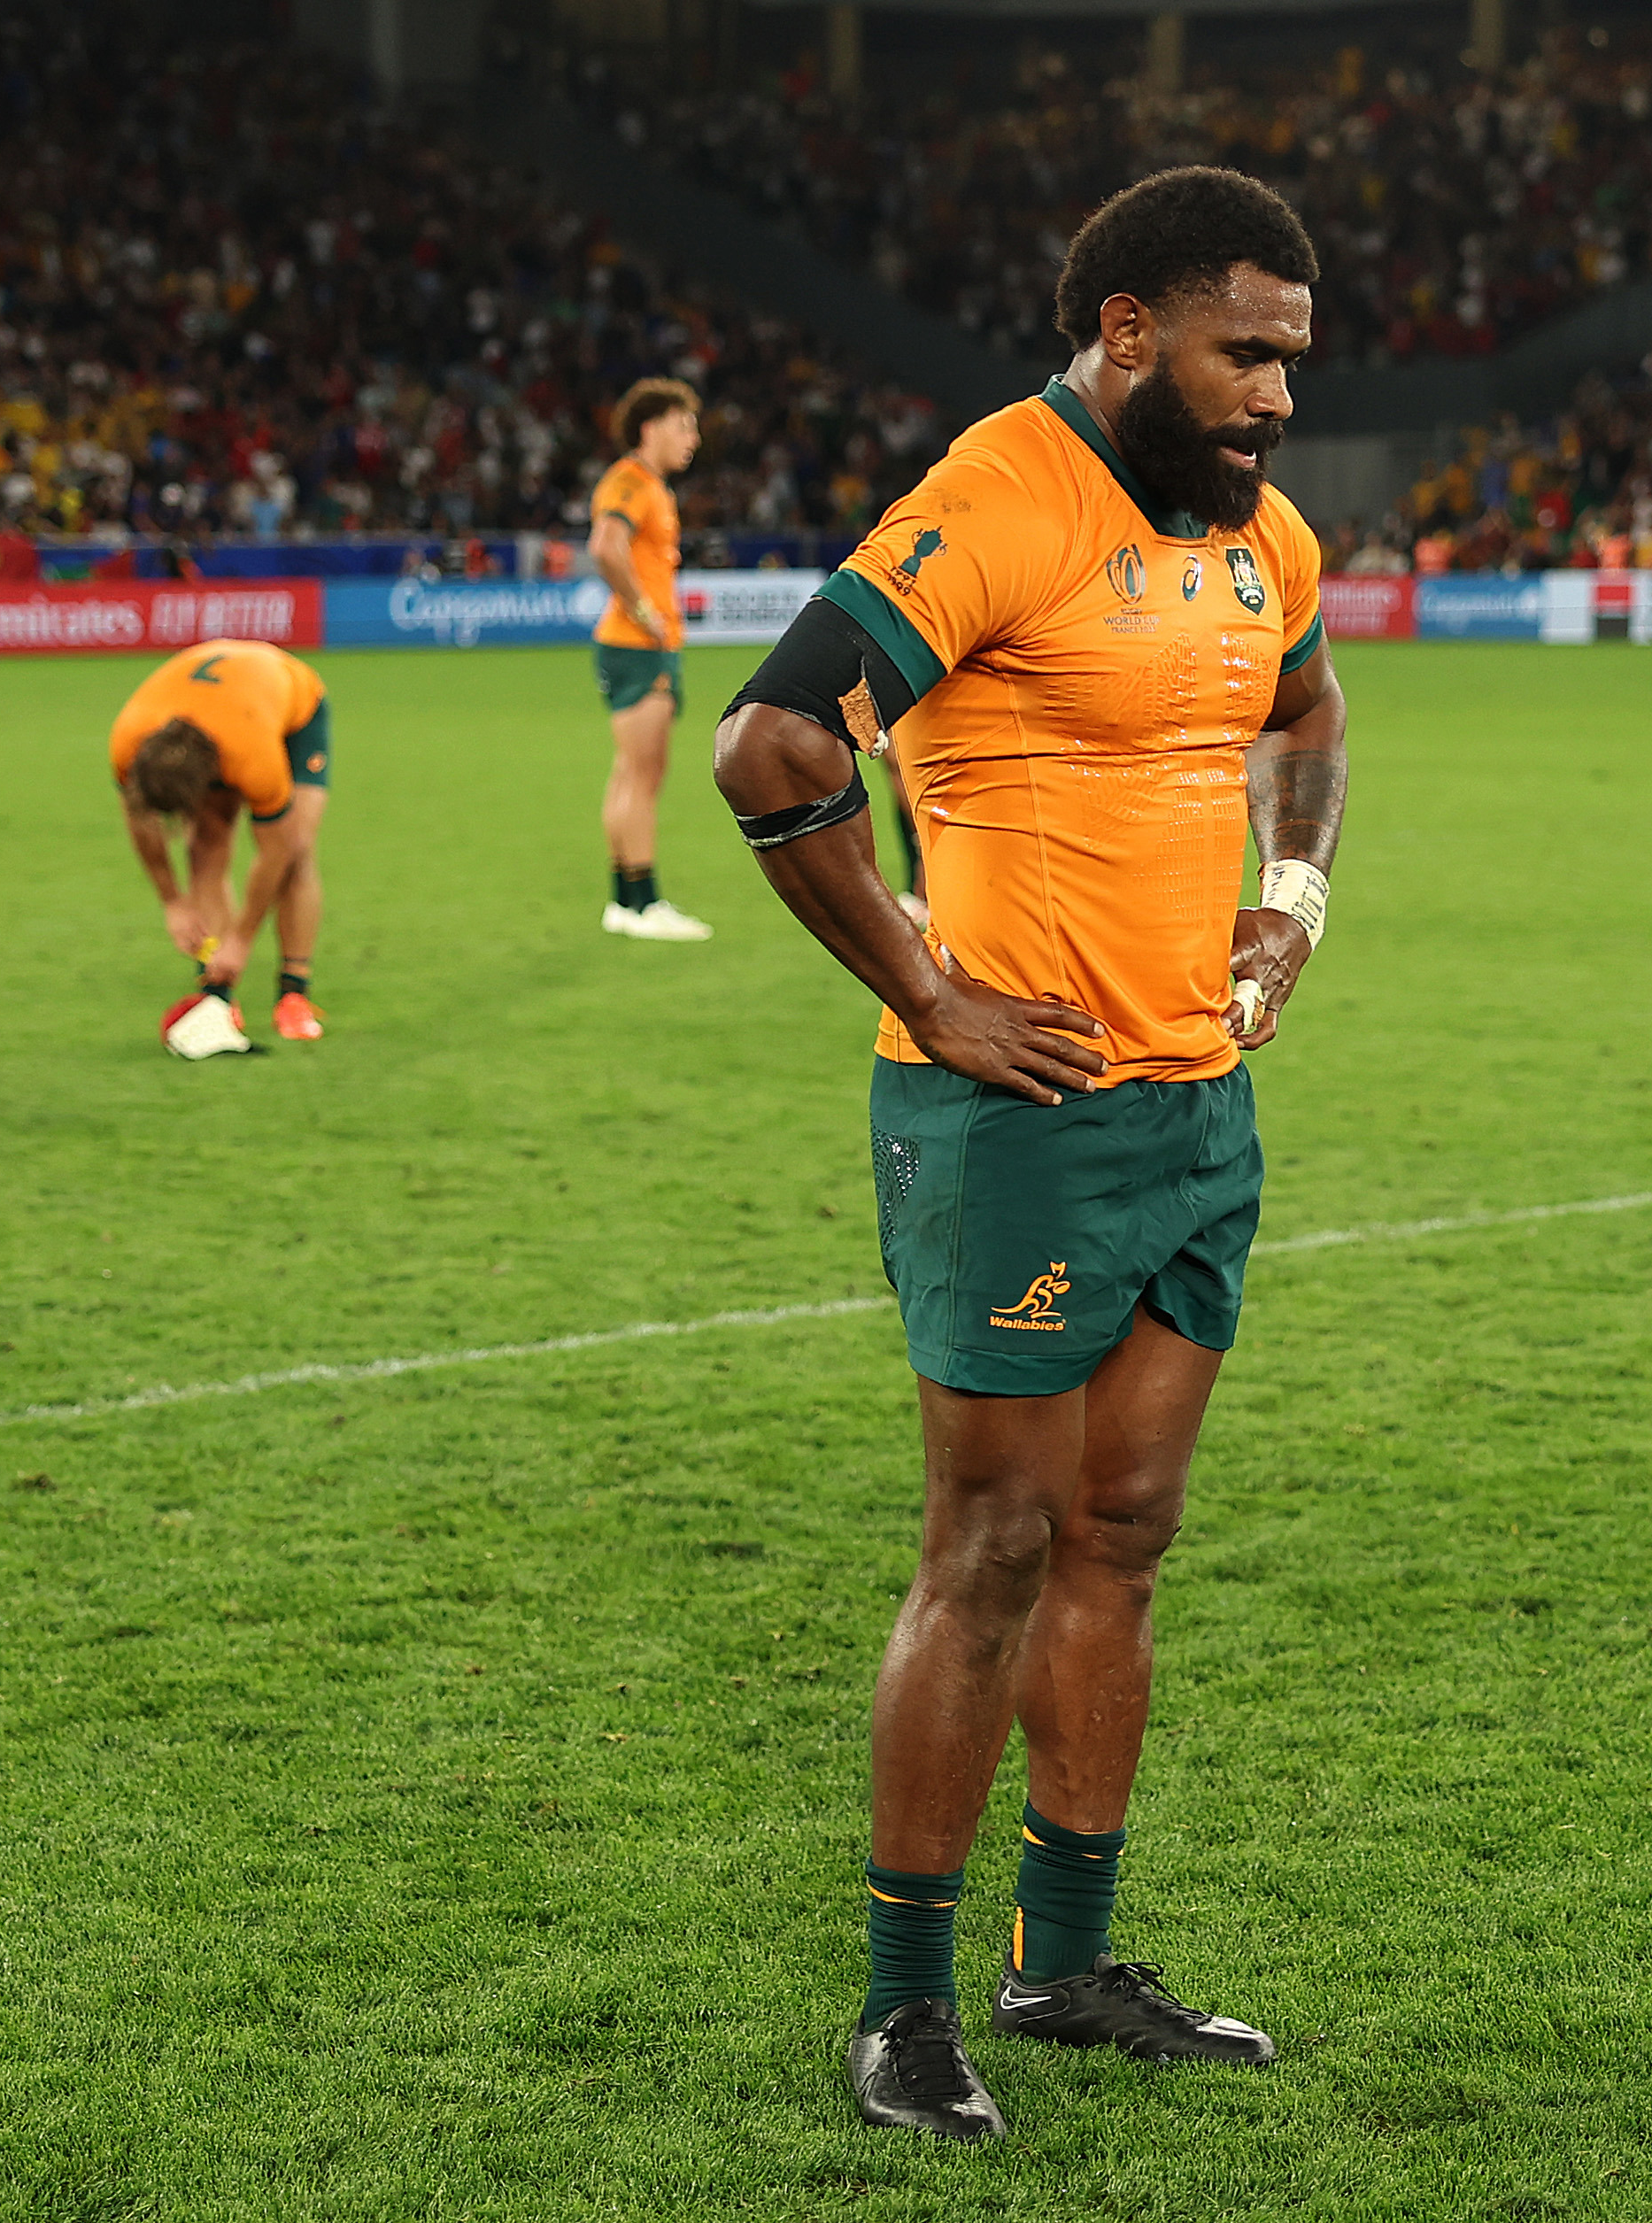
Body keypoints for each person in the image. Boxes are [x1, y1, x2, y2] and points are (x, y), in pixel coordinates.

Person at [711, 166, 1350, 2142]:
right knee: (988, 1544)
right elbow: (777, 749)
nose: (1276, 396)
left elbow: (1310, 703)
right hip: (1014, 1125)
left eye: (1295, 361)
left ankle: (1062, 1968)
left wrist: (1294, 890)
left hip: (1196, 1108)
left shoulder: (1261, 537)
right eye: (1246, 352)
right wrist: (932, 990)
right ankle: (907, 2008)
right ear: (1132, 329)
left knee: (1125, 1536)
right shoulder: (998, 498)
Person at [112, 638, 332, 1054]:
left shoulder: (252, 757)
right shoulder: (128, 741)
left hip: (292, 703)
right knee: (204, 847)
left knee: (298, 850)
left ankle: (293, 994)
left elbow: (276, 851)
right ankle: (218, 996)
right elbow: (140, 822)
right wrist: (173, 902)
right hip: (221, 708)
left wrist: (242, 938)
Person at [588, 377, 714, 941]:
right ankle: (645, 903)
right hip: (639, 648)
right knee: (644, 776)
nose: (693, 439)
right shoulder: (632, 482)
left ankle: (624, 900)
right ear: (651, 427)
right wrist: (643, 610)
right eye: (683, 426)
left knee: (629, 774)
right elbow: (605, 546)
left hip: (634, 645)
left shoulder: (647, 485)